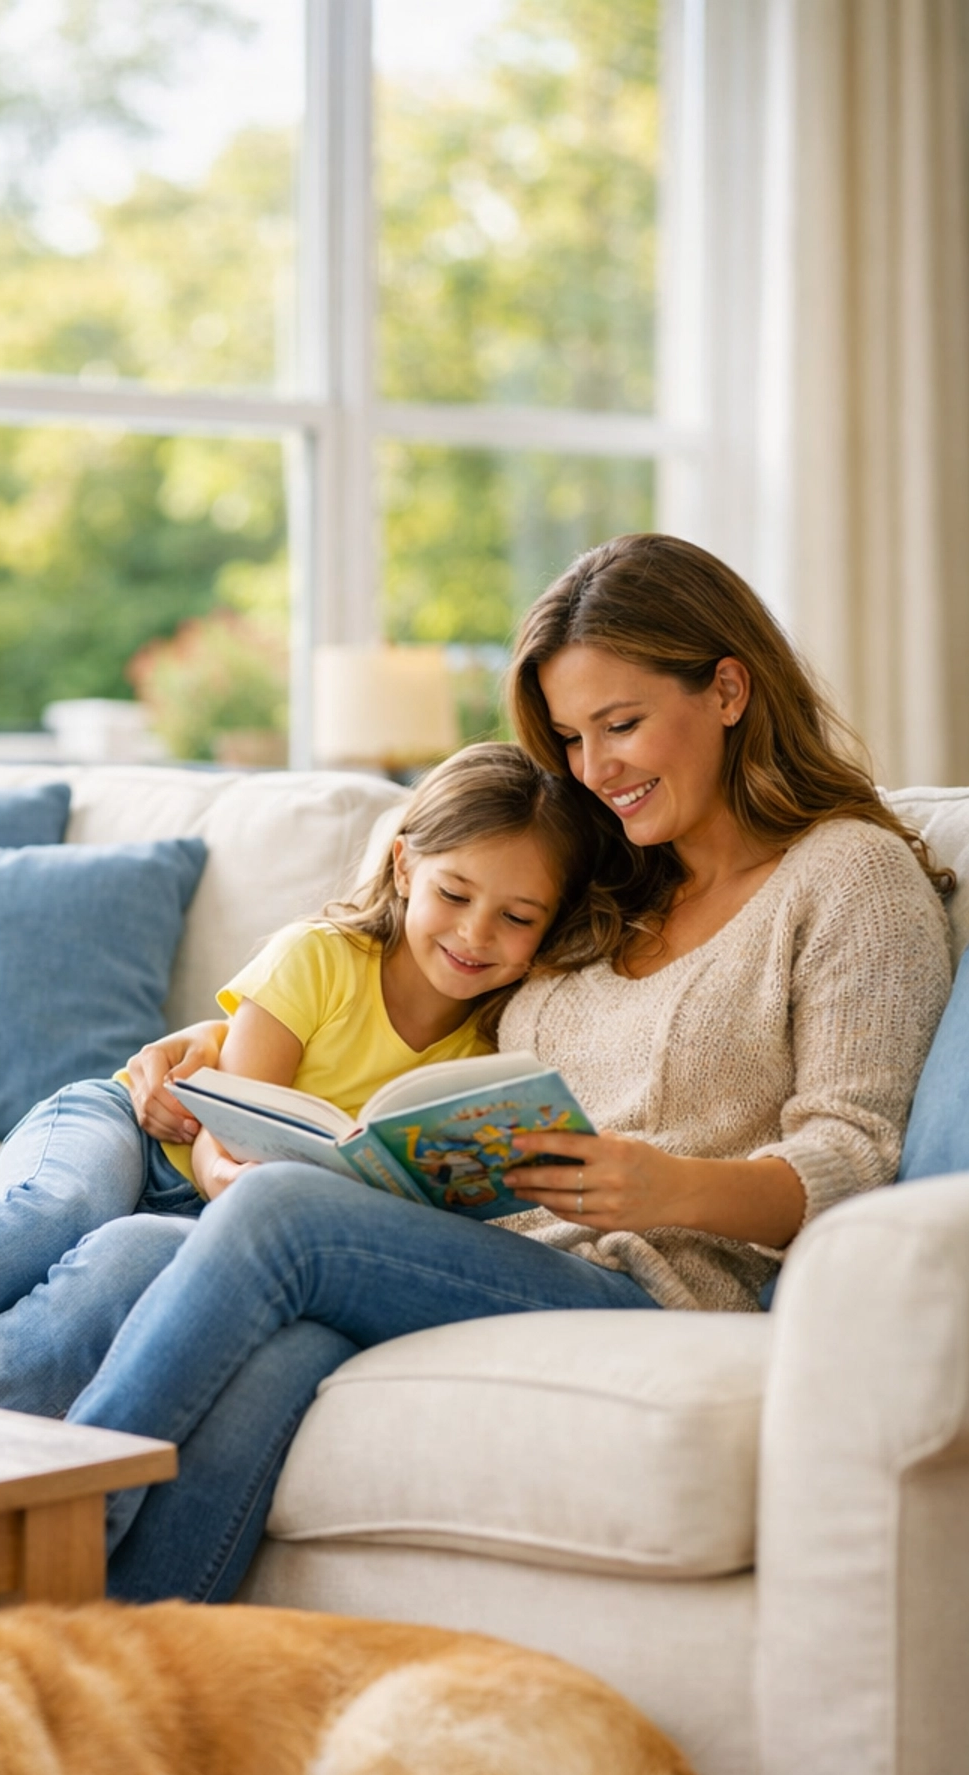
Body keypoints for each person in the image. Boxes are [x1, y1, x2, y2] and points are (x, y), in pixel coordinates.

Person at [63, 531, 955, 1604]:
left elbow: (857, 1155)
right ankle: (119, 1684)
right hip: (482, 1248)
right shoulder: (603, 881)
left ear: (728, 688)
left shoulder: (848, 875)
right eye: (575, 738)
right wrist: (216, 1042)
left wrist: (666, 1183)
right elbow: (403, 981)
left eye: (620, 725)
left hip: (657, 1285)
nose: (596, 769)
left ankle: (33, 1537)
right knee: (168, 1283)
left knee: (278, 1219)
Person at [0, 743, 602, 1411]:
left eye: (518, 918)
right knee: (67, 1205)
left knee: (123, 1261)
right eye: (454, 894)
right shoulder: (321, 957)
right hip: (131, 1127)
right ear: (404, 869)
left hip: (224, 1217)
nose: (475, 933)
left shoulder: (488, 1048)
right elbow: (232, 1121)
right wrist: (236, 1180)